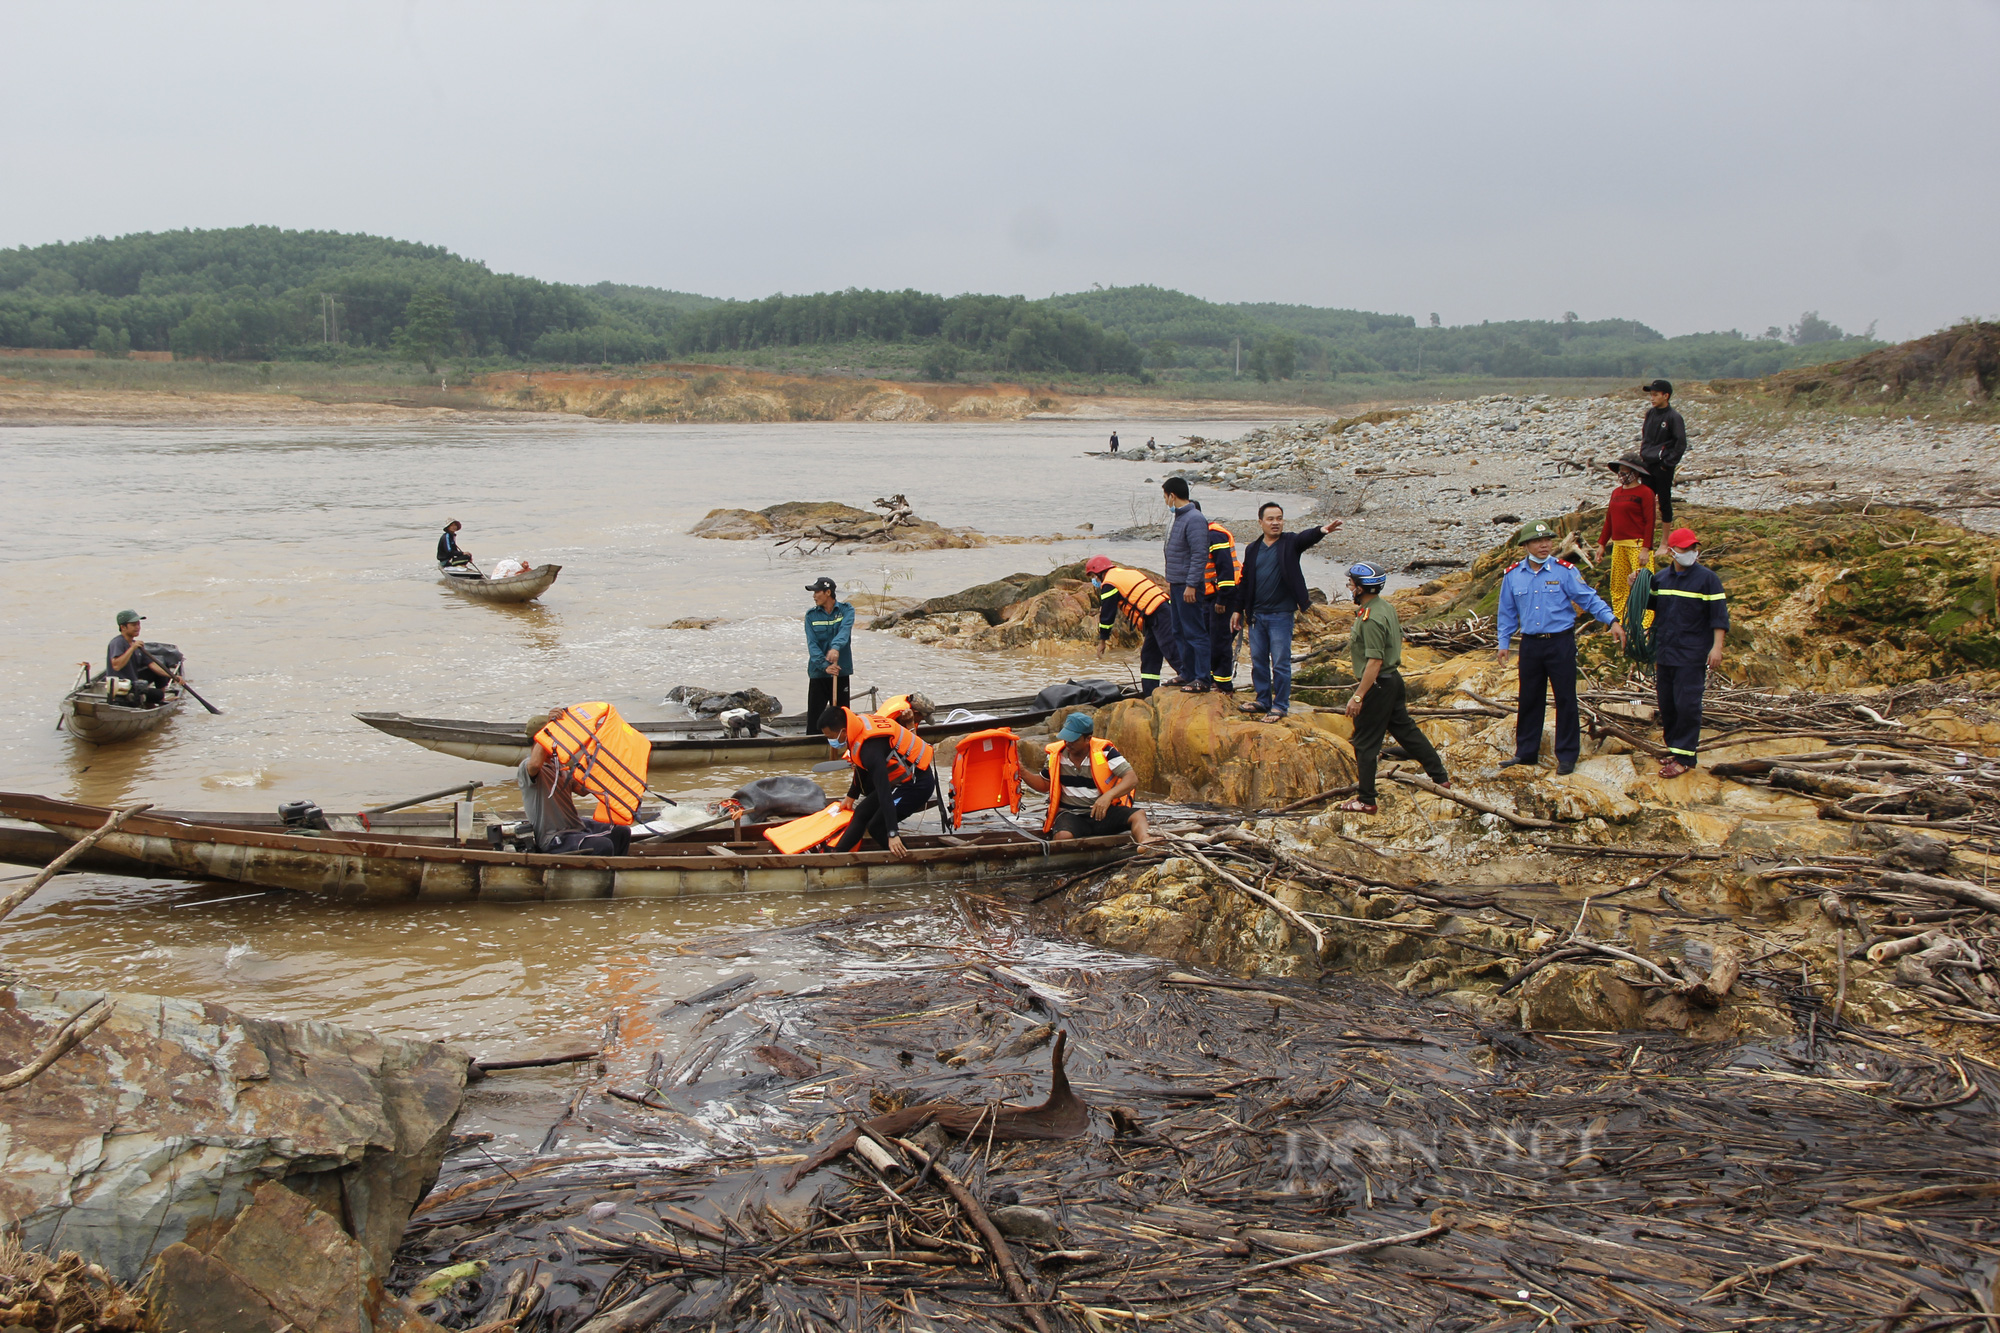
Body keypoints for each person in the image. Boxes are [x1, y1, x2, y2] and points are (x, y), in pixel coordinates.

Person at [1496, 520, 1628, 776]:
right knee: (1529, 698)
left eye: (1548, 540)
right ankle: (1526, 752)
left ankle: (1567, 755)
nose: (1544, 545)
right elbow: (1507, 613)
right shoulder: (1513, 575)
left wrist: (1611, 620)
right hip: (1531, 644)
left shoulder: (1564, 571)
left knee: (1565, 698)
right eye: (1537, 541)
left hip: (1560, 642)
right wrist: (1503, 643)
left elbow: (1588, 598)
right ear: (1526, 545)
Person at [1338, 563, 1451, 815]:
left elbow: (1374, 662)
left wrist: (1358, 695)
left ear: (1361, 588)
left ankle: (1366, 800)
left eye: (1351, 585)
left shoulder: (1371, 618)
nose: (1349, 589)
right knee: (1406, 730)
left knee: (1365, 743)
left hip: (1378, 684)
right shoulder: (1383, 606)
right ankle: (1439, 776)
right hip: (1393, 681)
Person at [1630, 527, 1728, 779]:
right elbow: (1648, 603)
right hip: (1665, 650)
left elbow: (1719, 616)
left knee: (1688, 705)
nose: (1691, 552)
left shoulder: (1707, 579)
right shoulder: (1661, 579)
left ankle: (1685, 757)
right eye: (1685, 548)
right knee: (1668, 704)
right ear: (1672, 551)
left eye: (1693, 548)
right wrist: (1636, 584)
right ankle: (1675, 748)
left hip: (1692, 653)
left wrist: (1717, 648)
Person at [1230, 503, 1342, 722]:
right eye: (1270, 519)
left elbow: (1305, 538)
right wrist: (1237, 609)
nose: (1275, 523)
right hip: (1256, 615)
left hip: (1281, 615)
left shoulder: (1289, 543)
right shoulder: (1253, 548)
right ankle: (1263, 700)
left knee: (1280, 662)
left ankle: (1280, 705)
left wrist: (1322, 530)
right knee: (1259, 660)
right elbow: (1244, 581)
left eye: (1279, 518)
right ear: (1260, 522)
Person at [1019, 713, 1155, 845]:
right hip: (1071, 815)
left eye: (1073, 740)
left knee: (1138, 815)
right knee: (1063, 836)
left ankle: (1145, 841)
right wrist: (1023, 772)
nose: (1068, 743)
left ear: (1088, 739)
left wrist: (1108, 796)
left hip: (1102, 813)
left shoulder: (1106, 752)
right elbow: (1044, 785)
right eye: (1066, 739)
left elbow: (1131, 779)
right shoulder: (1056, 755)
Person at [820, 705, 937, 858]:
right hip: (900, 782)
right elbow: (859, 763)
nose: (830, 741)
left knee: (877, 827)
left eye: (830, 736)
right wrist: (851, 795)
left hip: (917, 784)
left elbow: (884, 792)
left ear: (842, 731)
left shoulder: (871, 751)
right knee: (861, 812)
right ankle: (838, 853)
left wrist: (893, 833)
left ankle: (912, 861)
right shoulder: (857, 726)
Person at [516, 709, 636, 855]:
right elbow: (535, 765)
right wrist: (549, 729)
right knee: (602, 845)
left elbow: (583, 790)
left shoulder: (558, 766)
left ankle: (616, 870)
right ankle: (598, 874)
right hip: (554, 837)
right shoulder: (527, 766)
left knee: (621, 831)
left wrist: (606, 770)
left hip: (574, 826)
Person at [1086, 555, 1177, 697]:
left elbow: (1107, 615)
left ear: (1099, 572)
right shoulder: (1128, 573)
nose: (1094, 581)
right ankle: (1149, 694)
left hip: (1158, 613)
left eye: (1093, 576)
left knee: (1171, 649)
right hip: (1159, 611)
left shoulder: (1109, 583)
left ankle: (1189, 678)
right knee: (1149, 656)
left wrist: (1103, 640)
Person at [1161, 477, 1212, 690]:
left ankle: (1202, 678)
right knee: (1179, 631)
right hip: (1176, 582)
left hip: (1188, 584)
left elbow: (1200, 554)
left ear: (1172, 495)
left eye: (1165, 496)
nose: (1165, 501)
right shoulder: (1179, 518)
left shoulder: (1194, 519)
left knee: (1195, 632)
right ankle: (1187, 673)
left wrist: (1192, 584)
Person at [1596, 451, 1657, 622]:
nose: (1621, 475)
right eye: (1620, 471)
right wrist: (1602, 544)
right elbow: (1610, 519)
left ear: (1635, 473)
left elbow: (1650, 522)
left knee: (1644, 584)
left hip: (1637, 545)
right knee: (1618, 585)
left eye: (1625, 471)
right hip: (1618, 545)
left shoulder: (1645, 493)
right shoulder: (1616, 493)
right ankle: (1620, 621)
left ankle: (1645, 625)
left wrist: (1646, 548)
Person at [804, 577, 854, 724]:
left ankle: (841, 745)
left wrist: (835, 648)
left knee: (841, 717)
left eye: (816, 592)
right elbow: (812, 644)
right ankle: (814, 743)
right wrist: (825, 666)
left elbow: (844, 631)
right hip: (818, 672)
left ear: (827, 592)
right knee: (815, 719)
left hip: (840, 671)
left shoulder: (846, 610)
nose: (814, 596)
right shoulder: (811, 615)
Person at [1638, 379, 1688, 524]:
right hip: (1648, 463)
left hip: (1663, 465)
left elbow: (1681, 443)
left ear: (1665, 396)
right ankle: (1645, 535)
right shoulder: (1650, 414)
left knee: (1664, 501)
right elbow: (1645, 437)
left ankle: (1665, 540)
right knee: (1645, 500)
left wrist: (1667, 463)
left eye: (1655, 395)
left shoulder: (1674, 417)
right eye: (1651, 395)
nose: (1652, 398)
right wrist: (1644, 454)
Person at [1202, 514, 1240, 693]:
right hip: (1209, 594)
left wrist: (1222, 598)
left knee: (1220, 639)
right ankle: (1211, 678)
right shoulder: (1202, 535)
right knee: (1209, 638)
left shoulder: (1215, 535)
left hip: (1223, 594)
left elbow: (1225, 568)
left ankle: (1224, 684)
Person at [106, 610, 173, 706]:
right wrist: (132, 648)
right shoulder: (118, 642)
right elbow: (116, 666)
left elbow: (153, 664)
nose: (137, 627)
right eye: (133, 625)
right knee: (157, 694)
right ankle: (147, 701)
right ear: (123, 627)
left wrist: (172, 676)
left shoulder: (137, 645)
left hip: (134, 682)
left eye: (138, 624)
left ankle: (159, 701)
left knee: (160, 666)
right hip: (122, 686)